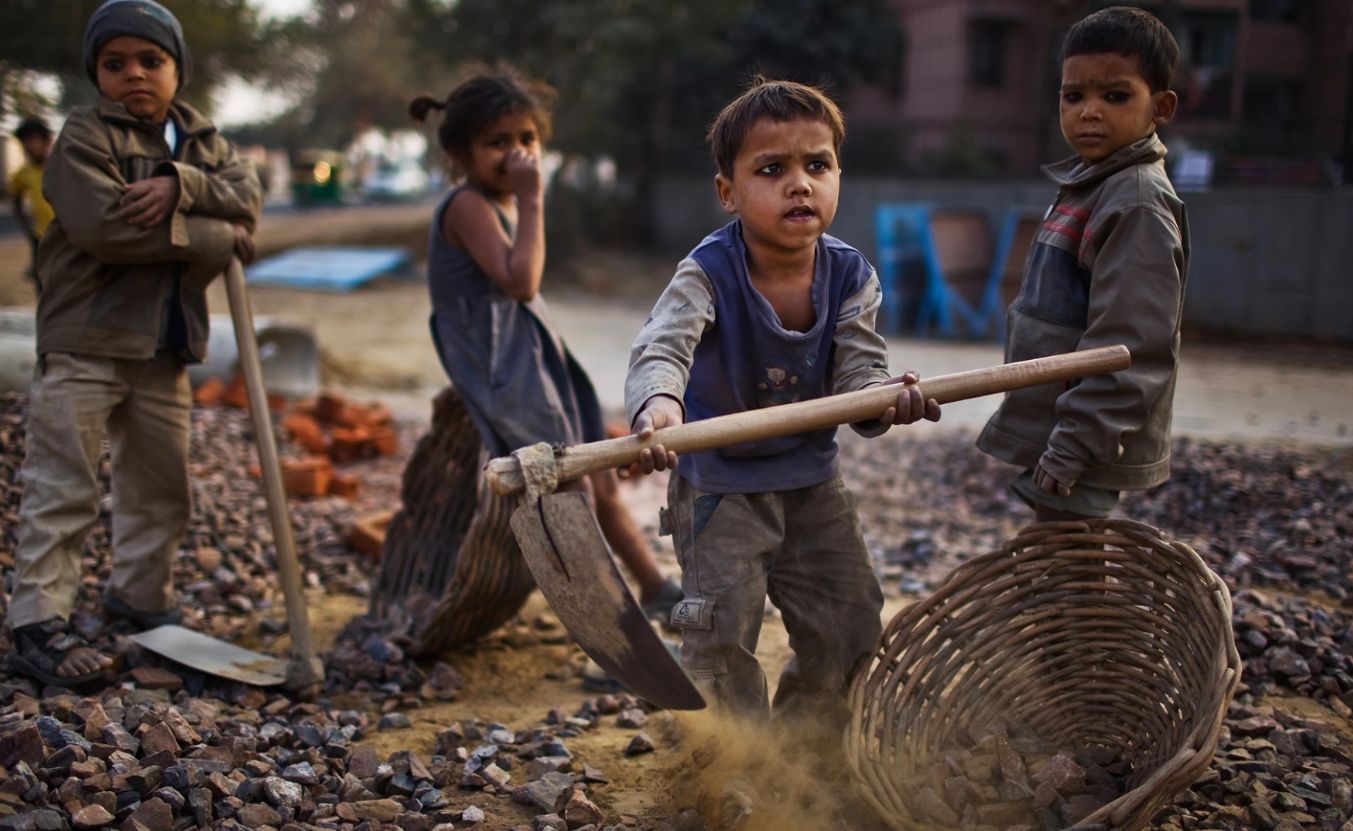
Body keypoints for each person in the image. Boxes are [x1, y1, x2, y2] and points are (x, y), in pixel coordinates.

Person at [624, 78, 940, 721]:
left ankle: (808, 754)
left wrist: (882, 399)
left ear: (838, 175)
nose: (800, 184)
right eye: (773, 169)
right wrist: (660, 404)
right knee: (719, 635)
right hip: (720, 487)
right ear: (728, 193)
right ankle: (727, 769)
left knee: (848, 619)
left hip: (812, 484)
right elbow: (662, 348)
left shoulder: (852, 274)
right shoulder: (708, 271)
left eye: (817, 165)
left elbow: (860, 371)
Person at [9, 0, 262, 687]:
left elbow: (248, 198)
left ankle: (138, 599)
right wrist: (211, 234)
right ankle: (36, 622)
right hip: (87, 336)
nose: (134, 75)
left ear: (177, 68)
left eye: (151, 61)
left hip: (165, 341)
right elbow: (105, 229)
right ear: (96, 73)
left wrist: (182, 183)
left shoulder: (204, 141)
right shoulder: (84, 137)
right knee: (64, 482)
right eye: (115, 64)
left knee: (161, 486)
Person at [410, 71, 683, 622]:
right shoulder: (467, 205)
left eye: (527, 140)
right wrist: (535, 200)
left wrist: (527, 202)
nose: (516, 154)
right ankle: (607, 613)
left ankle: (653, 587)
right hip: (504, 370)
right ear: (462, 154)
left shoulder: (499, 201)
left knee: (597, 476)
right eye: (498, 142)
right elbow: (521, 281)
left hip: (532, 360)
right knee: (566, 488)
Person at [977, 6, 1189, 522]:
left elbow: (1130, 347)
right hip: (1063, 429)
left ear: (1160, 106)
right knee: (1058, 565)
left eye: (1114, 96)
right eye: (1074, 96)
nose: (1089, 111)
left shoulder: (1135, 202)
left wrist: (1075, 443)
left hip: (1089, 441)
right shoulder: (1091, 185)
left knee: (1073, 570)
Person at [8, 118, 55, 289]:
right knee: (42, 282)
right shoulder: (23, 174)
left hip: (66, 235)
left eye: (34, 140)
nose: (30, 147)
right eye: (25, 143)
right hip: (40, 236)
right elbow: (16, 200)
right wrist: (27, 227)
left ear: (46, 141)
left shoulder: (61, 167)